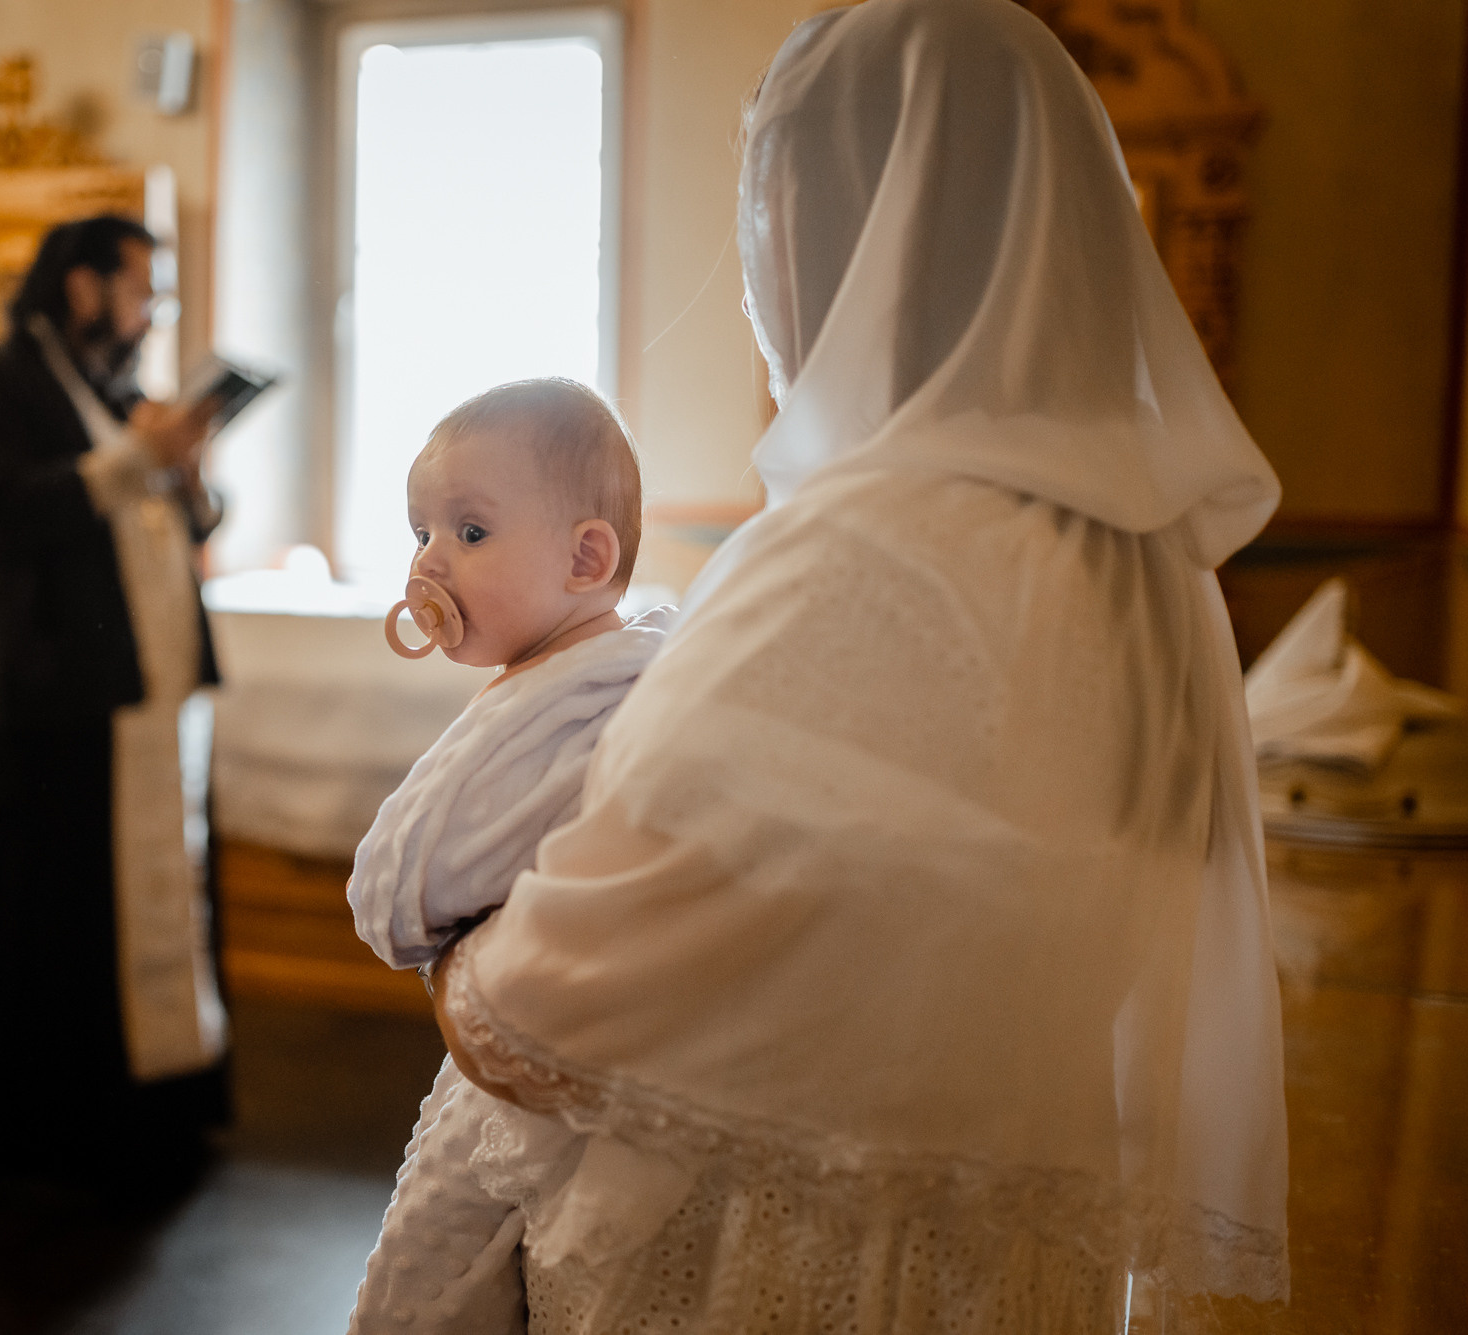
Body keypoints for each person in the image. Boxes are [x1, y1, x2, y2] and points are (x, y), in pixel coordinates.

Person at [426, 1, 1291, 1331]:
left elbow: (545, 1018)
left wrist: (446, 947)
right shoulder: (1149, 562)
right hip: (1003, 1260)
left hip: (782, 1264)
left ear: (833, 232)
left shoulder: (864, 559)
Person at [346, 379, 670, 1334]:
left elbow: (399, 893)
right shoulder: (628, 662)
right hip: (595, 1044)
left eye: (470, 533)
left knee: (434, 1272)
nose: (431, 561)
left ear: (585, 556)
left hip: (537, 1063)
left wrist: (402, 916)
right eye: (420, 533)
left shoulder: (560, 703)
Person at [0, 215, 230, 1186]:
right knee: (63, 911)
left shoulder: (121, 391)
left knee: (161, 891)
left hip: (147, 693)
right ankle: (61, 1122)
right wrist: (129, 463)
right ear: (81, 287)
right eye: (139, 287)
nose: (150, 310)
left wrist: (186, 470)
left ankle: (163, 1097)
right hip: (53, 697)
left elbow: (186, 517)